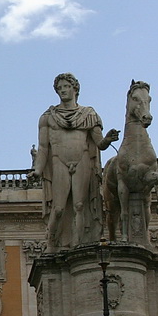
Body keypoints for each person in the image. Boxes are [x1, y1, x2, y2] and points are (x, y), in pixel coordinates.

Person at [33, 72, 120, 250]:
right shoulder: (48, 117)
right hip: (59, 161)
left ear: (75, 89)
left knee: (80, 205)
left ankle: (78, 244)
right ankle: (51, 244)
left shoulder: (88, 114)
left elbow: (99, 143)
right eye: (59, 88)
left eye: (66, 86)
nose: (62, 90)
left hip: (82, 160)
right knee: (58, 208)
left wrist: (108, 139)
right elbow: (43, 148)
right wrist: (37, 169)